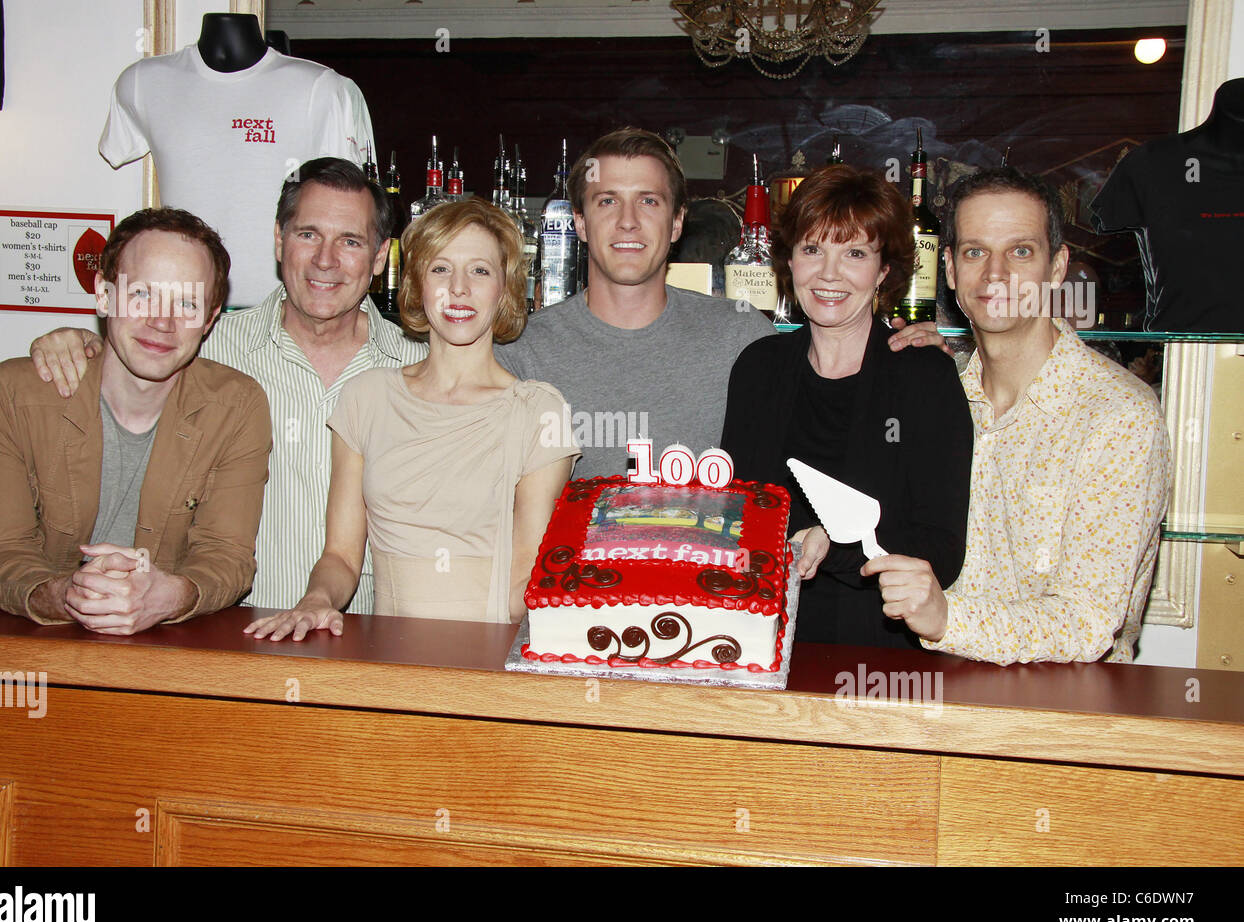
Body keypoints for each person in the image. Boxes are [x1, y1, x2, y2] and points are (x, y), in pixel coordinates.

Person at [28, 158, 429, 612]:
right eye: (308, 234)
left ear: (379, 258)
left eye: (350, 241)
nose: (325, 259)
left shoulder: (422, 368)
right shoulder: (203, 347)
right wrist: (80, 345)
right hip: (221, 635)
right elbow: (132, 354)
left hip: (369, 646)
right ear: (279, 241)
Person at [497, 127, 949, 481]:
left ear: (677, 223)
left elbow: (837, 408)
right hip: (572, 598)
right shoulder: (522, 352)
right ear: (578, 221)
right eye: (607, 200)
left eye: (649, 201)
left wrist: (903, 350)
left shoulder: (740, 334)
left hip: (716, 596)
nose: (628, 222)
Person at [862, 167, 1171, 664]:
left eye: (1020, 251)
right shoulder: (937, 396)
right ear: (949, 269)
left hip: (1058, 717)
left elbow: (1087, 621)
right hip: (931, 696)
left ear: (1056, 268)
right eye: (975, 251)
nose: (995, 274)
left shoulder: (1119, 417)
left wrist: (947, 619)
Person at [244, 198, 578, 640]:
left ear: (505, 288)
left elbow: (526, 582)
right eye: (440, 269)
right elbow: (342, 557)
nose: (459, 289)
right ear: (417, 284)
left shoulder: (538, 412)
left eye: (479, 271)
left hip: (487, 668)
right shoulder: (367, 397)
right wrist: (316, 600)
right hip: (387, 665)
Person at [0, 208, 272, 634]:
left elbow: (226, 555)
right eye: (142, 294)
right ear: (104, 295)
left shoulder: (239, 406)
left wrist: (168, 595)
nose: (161, 322)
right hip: (35, 651)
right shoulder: (12, 394)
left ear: (210, 318)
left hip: (169, 659)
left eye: (186, 303)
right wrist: (67, 594)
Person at [722, 165, 973, 649]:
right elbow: (742, 515)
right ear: (789, 260)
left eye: (854, 253)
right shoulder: (758, 369)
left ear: (883, 271)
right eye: (812, 249)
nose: (829, 273)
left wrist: (833, 543)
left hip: (879, 653)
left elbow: (941, 549)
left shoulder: (923, 376)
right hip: (758, 642)